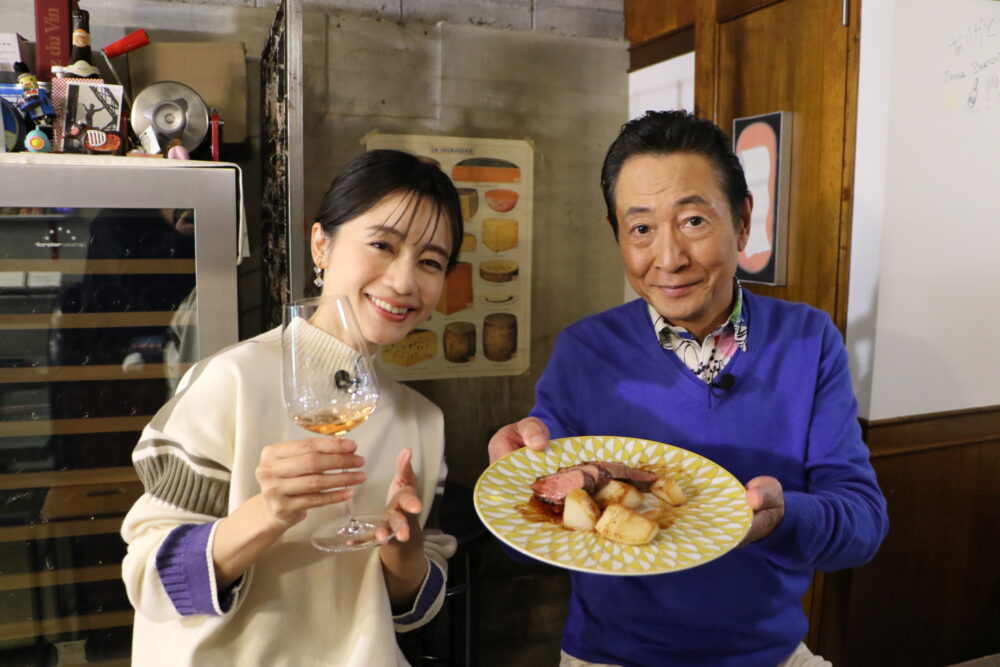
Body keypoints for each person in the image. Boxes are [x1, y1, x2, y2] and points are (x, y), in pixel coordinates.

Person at [488, 110, 889, 667]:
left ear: (744, 221)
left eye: (694, 221)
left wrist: (783, 519)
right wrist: (524, 479)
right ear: (619, 237)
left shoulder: (808, 340)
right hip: (611, 655)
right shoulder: (584, 350)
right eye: (642, 229)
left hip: (768, 654)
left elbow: (862, 524)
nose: (669, 258)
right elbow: (542, 524)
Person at [121, 149, 464, 665]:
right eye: (381, 245)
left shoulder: (422, 420)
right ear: (321, 244)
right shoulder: (232, 380)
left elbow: (411, 610)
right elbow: (150, 580)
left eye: (431, 261)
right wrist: (269, 511)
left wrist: (404, 548)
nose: (403, 281)